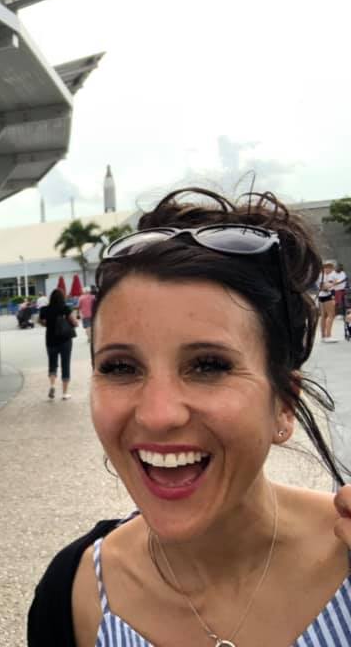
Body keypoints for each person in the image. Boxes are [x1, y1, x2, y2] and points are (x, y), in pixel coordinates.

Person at [28, 188, 351, 646]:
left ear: (284, 403)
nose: (158, 415)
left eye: (208, 366)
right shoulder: (74, 595)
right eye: (120, 368)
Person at [38, 288, 77, 400]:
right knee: (65, 364)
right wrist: (73, 323)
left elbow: (42, 322)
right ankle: (64, 393)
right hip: (65, 340)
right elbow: (74, 322)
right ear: (62, 297)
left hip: (50, 340)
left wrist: (49, 323)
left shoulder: (44, 309)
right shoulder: (65, 308)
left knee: (52, 364)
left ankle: (52, 385)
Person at [319, 259, 339, 342]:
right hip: (326, 296)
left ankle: (323, 336)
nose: (330, 269)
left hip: (322, 296)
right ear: (325, 268)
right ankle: (328, 336)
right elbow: (323, 287)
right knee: (331, 315)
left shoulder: (325, 275)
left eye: (331, 267)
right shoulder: (322, 275)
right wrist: (333, 284)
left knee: (324, 316)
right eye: (328, 267)